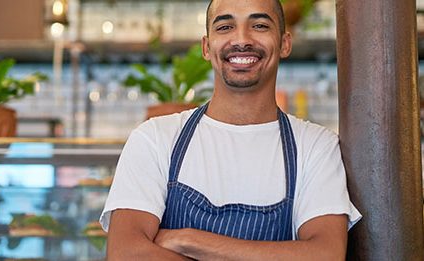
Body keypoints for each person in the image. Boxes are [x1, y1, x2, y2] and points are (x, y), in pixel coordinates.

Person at [100, 0, 361, 259]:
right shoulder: (155, 139)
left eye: (259, 25)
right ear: (206, 47)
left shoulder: (316, 146)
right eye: (225, 27)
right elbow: (126, 254)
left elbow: (325, 254)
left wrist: (188, 239)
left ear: (284, 44)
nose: (241, 39)